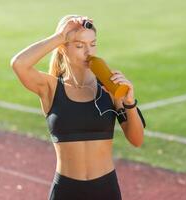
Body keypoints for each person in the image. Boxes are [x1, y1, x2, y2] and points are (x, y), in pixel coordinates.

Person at [10, 14, 146, 200]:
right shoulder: (50, 87)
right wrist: (59, 36)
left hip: (105, 190)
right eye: (79, 45)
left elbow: (137, 140)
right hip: (66, 191)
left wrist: (129, 102)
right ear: (63, 48)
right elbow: (19, 64)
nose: (88, 52)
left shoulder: (109, 86)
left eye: (93, 44)